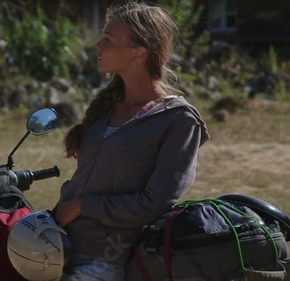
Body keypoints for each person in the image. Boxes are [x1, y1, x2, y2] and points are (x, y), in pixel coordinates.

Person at [52, 1, 210, 280]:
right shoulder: (108, 107)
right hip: (57, 244)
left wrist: (82, 205)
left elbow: (155, 203)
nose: (98, 46)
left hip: (108, 260)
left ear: (138, 53)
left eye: (108, 41)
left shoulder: (178, 120)